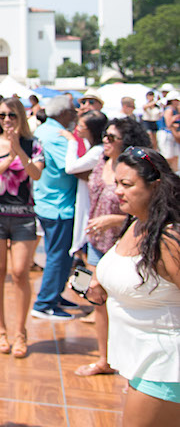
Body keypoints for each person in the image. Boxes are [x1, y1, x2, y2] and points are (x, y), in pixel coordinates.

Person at [83, 147, 180, 427]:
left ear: (155, 186)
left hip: (165, 367)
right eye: (117, 183)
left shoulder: (167, 239)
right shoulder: (137, 222)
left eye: (127, 184)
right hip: (139, 362)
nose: (117, 192)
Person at [74, 118, 150, 377]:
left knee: (126, 302)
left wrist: (113, 220)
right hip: (96, 241)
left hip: (126, 242)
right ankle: (104, 359)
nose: (105, 140)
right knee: (97, 299)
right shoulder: (101, 161)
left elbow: (146, 212)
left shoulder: (135, 169)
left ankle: (131, 361)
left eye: (111, 137)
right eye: (104, 135)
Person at [0, 97, 44, 358]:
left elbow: (36, 174)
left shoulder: (33, 143)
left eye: (12, 115)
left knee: (20, 273)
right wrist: (9, 157)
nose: (7, 120)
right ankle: (0, 328)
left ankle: (20, 331)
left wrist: (19, 149)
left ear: (21, 117)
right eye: (2, 115)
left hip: (24, 215)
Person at [31, 94, 79, 321]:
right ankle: (45, 302)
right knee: (58, 256)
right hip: (59, 204)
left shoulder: (43, 130)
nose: (76, 114)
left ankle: (55, 295)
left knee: (59, 254)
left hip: (48, 201)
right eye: (73, 110)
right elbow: (72, 167)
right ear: (64, 113)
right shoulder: (57, 135)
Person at [65, 111, 109, 260]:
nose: (77, 128)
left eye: (81, 126)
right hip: (87, 205)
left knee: (87, 253)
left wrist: (72, 142)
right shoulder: (93, 147)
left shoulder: (98, 151)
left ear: (91, 130)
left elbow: (71, 168)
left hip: (91, 209)